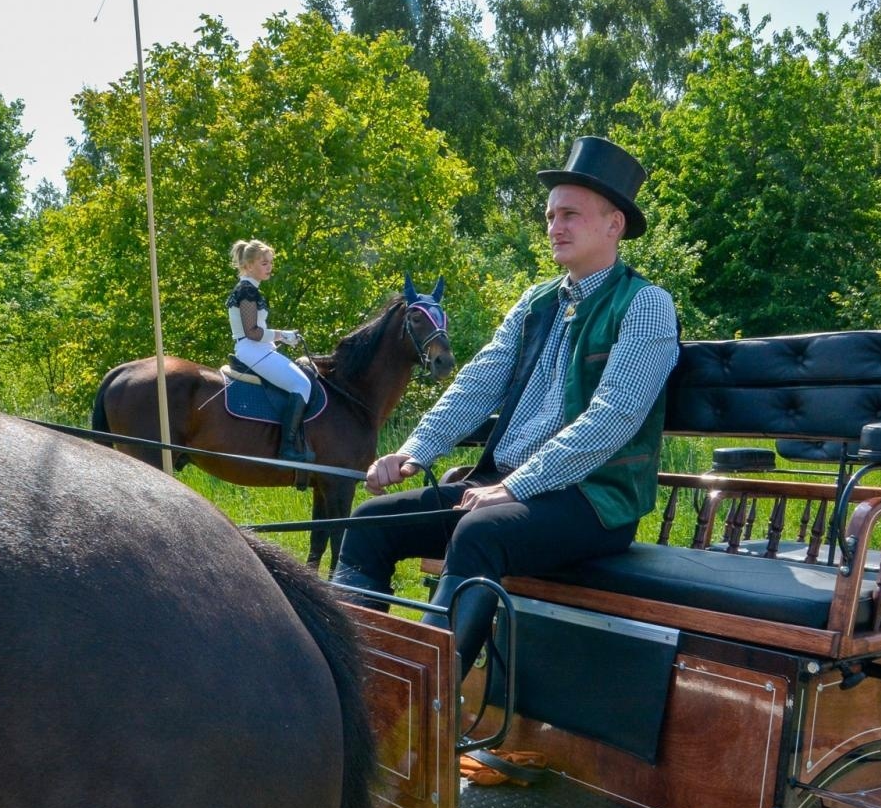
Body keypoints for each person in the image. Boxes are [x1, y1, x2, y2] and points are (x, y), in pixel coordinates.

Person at [330, 137, 679, 673]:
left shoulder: (645, 305)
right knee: (369, 522)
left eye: (570, 215)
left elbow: (614, 417)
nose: (554, 227)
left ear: (614, 224)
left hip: (594, 500)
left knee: (478, 532)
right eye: (550, 216)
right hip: (507, 488)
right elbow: (477, 383)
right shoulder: (535, 303)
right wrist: (415, 451)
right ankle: (354, 678)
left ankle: (426, 694)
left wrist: (514, 486)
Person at [226, 239, 314, 462]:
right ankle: (287, 448)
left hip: (258, 348)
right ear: (248, 265)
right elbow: (252, 332)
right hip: (251, 349)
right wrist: (282, 335)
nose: (269, 267)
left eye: (270, 263)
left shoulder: (250, 289)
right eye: (264, 263)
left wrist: (280, 337)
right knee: (302, 384)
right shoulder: (247, 291)